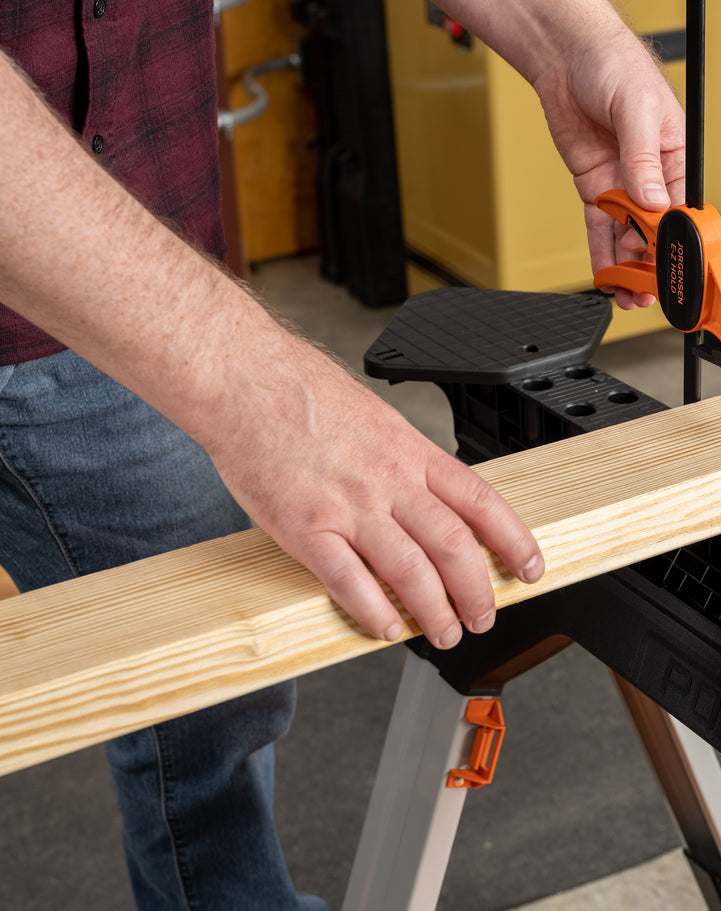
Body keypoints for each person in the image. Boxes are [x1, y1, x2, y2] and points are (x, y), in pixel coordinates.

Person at [0, 0, 685, 907]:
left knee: (215, 690)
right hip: (117, 315)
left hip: (132, 270)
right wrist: (257, 389)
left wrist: (568, 39)